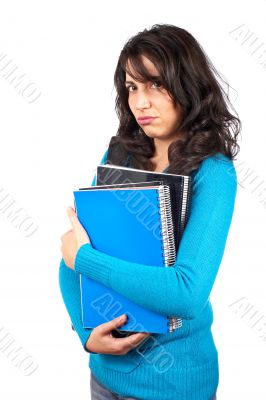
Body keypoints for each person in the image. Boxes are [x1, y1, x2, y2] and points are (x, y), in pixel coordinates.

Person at [59, 23, 241, 400]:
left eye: (156, 84)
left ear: (188, 85)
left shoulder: (214, 172)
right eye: (132, 88)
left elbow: (186, 294)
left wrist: (86, 259)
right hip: (106, 375)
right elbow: (69, 261)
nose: (141, 102)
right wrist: (86, 336)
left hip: (175, 385)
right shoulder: (120, 156)